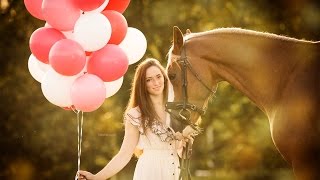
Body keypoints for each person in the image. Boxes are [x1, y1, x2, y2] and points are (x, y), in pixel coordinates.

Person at [77, 58, 191, 180]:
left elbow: (180, 153)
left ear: (164, 77)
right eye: (149, 80)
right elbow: (124, 154)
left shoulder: (177, 110)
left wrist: (186, 144)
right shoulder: (136, 114)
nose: (156, 82)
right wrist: (96, 177)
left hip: (174, 171)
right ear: (142, 84)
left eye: (158, 77)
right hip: (150, 172)